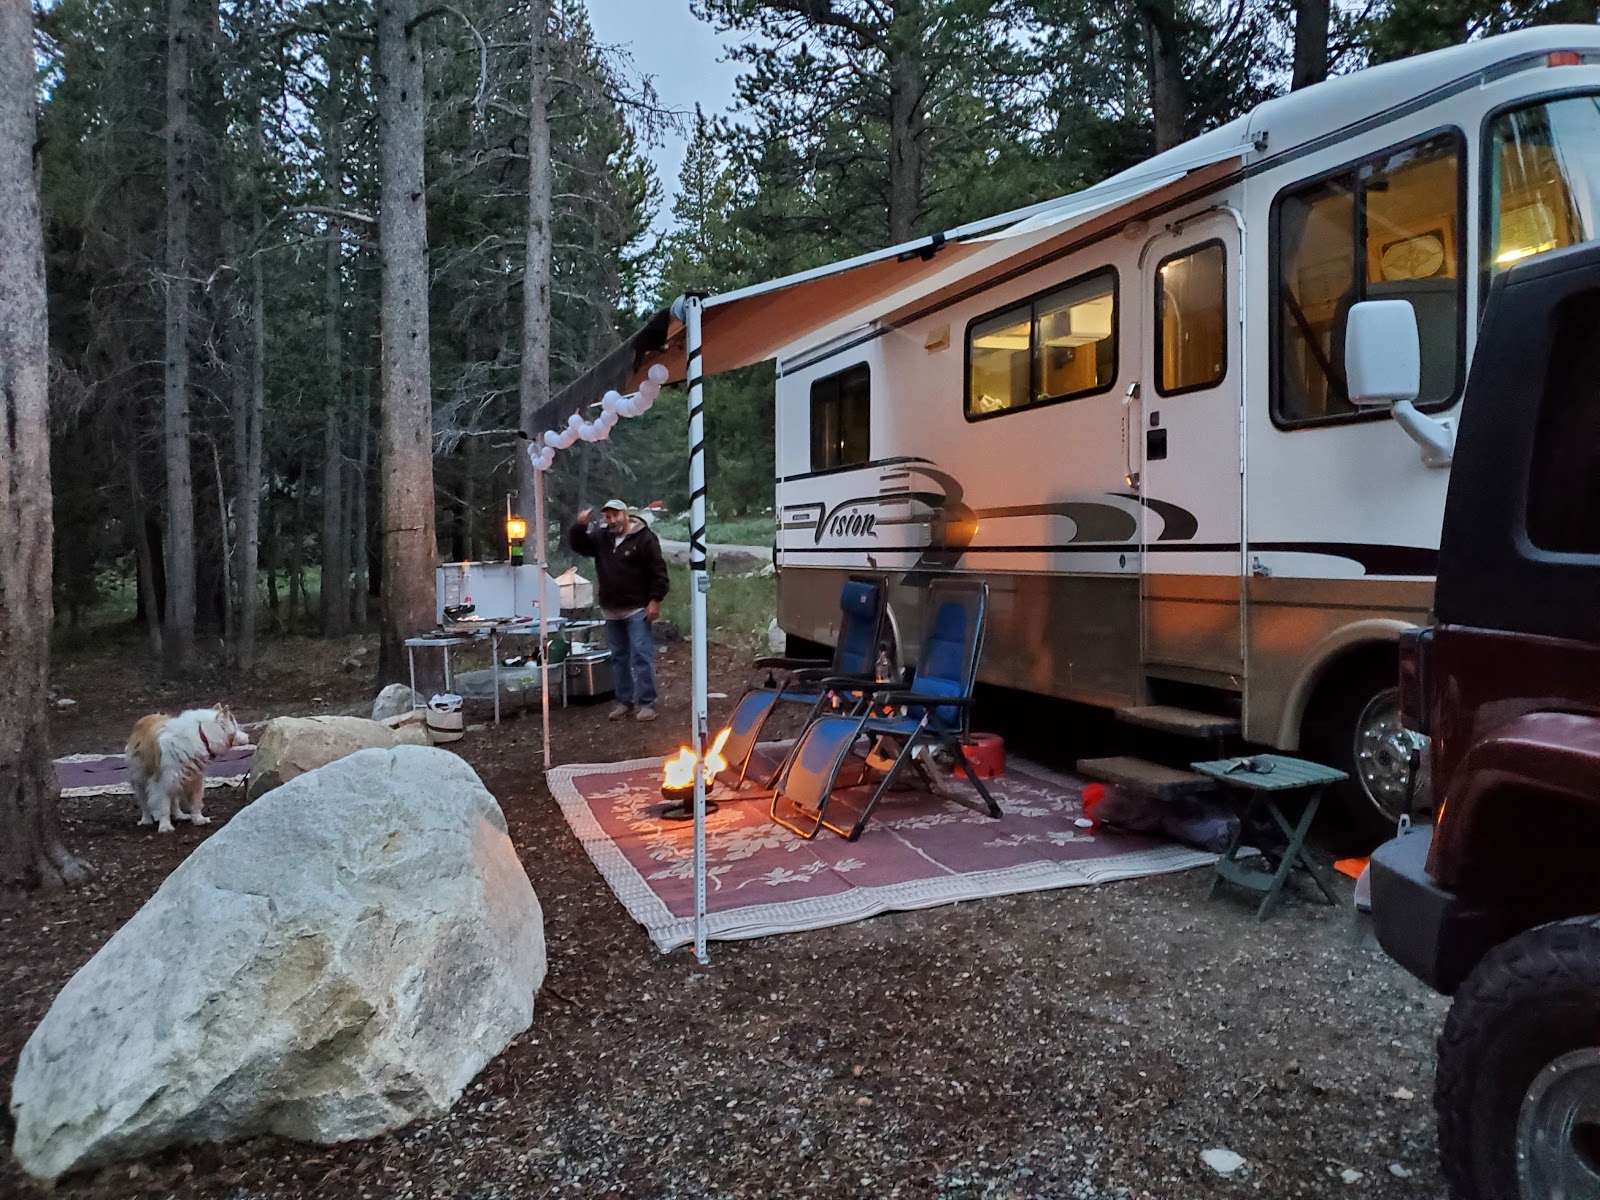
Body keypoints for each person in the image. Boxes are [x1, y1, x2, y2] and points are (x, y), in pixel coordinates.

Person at [570, 499, 669, 722]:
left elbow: (658, 572)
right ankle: (624, 702)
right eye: (607, 516)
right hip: (610, 608)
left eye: (615, 515)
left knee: (641, 655)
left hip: (637, 607)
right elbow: (580, 546)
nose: (612, 521)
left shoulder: (644, 538)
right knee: (618, 657)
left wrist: (655, 601)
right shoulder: (601, 538)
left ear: (626, 514)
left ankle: (647, 703)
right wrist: (579, 526)